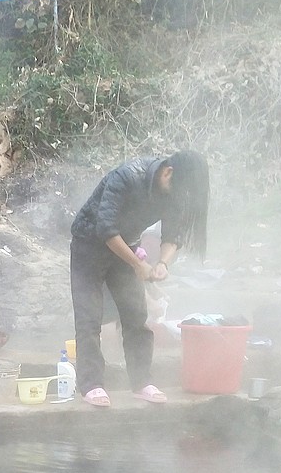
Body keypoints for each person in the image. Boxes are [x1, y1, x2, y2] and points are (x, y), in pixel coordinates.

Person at [69, 150, 209, 407]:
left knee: (136, 316)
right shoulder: (127, 177)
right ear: (168, 172)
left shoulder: (174, 191)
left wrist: (162, 263)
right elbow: (106, 229)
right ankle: (91, 385)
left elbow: (173, 235)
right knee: (89, 318)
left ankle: (142, 382)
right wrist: (137, 264)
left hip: (126, 246)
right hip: (88, 244)